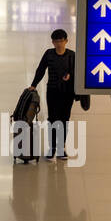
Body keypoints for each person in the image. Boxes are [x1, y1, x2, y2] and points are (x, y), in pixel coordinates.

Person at [31, 27, 76, 160]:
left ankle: (61, 149)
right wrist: (33, 85)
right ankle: (52, 149)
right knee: (52, 119)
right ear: (52, 42)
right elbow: (41, 70)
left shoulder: (72, 55)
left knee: (64, 120)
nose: (58, 43)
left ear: (66, 41)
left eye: (61, 41)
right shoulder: (49, 54)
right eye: (56, 41)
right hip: (52, 92)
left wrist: (70, 76)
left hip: (68, 93)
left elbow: (78, 72)